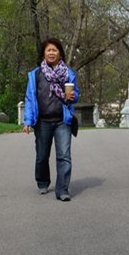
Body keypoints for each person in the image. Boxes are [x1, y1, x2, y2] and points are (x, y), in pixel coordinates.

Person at [22, 37, 79, 202]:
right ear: (43, 54)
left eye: (55, 50)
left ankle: (62, 189)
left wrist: (74, 96)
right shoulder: (36, 74)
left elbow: (75, 94)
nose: (52, 53)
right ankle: (42, 181)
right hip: (43, 122)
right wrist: (27, 121)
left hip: (63, 120)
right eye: (49, 50)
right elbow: (30, 98)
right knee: (41, 155)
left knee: (64, 156)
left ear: (60, 53)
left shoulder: (68, 73)